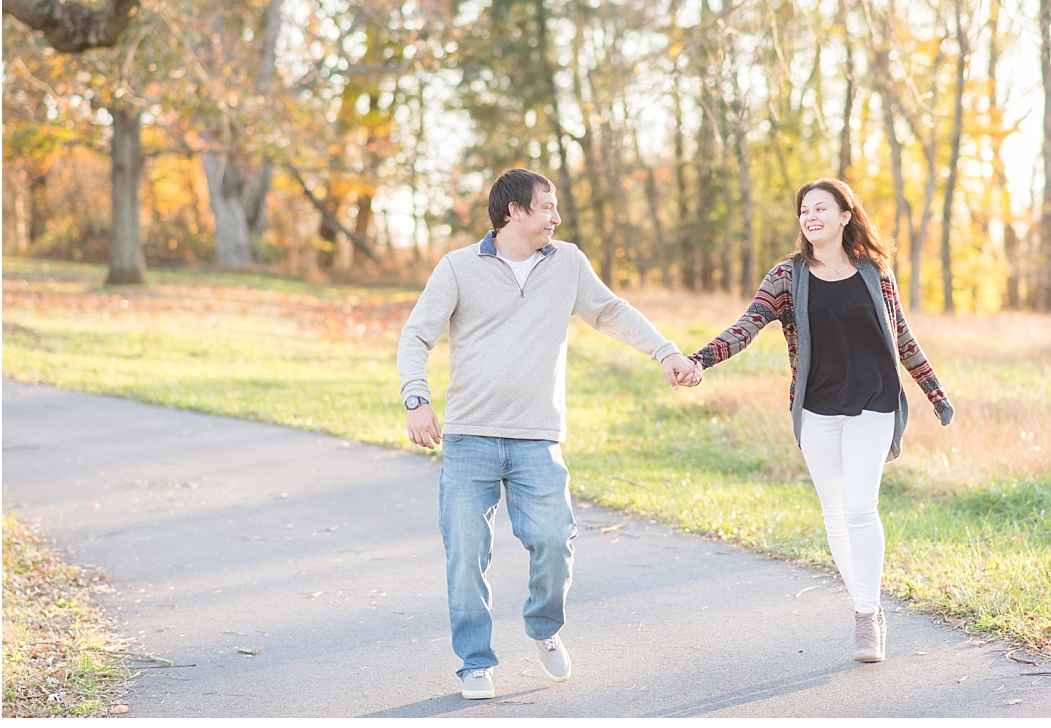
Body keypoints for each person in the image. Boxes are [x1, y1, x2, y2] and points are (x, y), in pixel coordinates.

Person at [398, 167, 702, 700]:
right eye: (546, 207)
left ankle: (543, 627)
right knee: (466, 555)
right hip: (469, 437)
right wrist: (417, 400)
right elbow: (416, 335)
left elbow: (611, 312)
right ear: (514, 211)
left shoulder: (567, 262)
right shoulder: (458, 267)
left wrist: (666, 352)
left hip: (537, 436)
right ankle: (475, 663)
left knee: (555, 542)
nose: (556, 218)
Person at [686, 178, 953, 663]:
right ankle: (868, 604)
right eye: (804, 210)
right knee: (834, 514)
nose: (810, 217)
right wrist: (700, 360)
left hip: (874, 402)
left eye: (820, 208)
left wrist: (934, 392)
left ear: (845, 216)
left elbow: (902, 336)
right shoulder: (786, 276)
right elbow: (748, 325)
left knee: (860, 509)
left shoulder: (875, 272)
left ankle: (865, 617)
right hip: (816, 408)